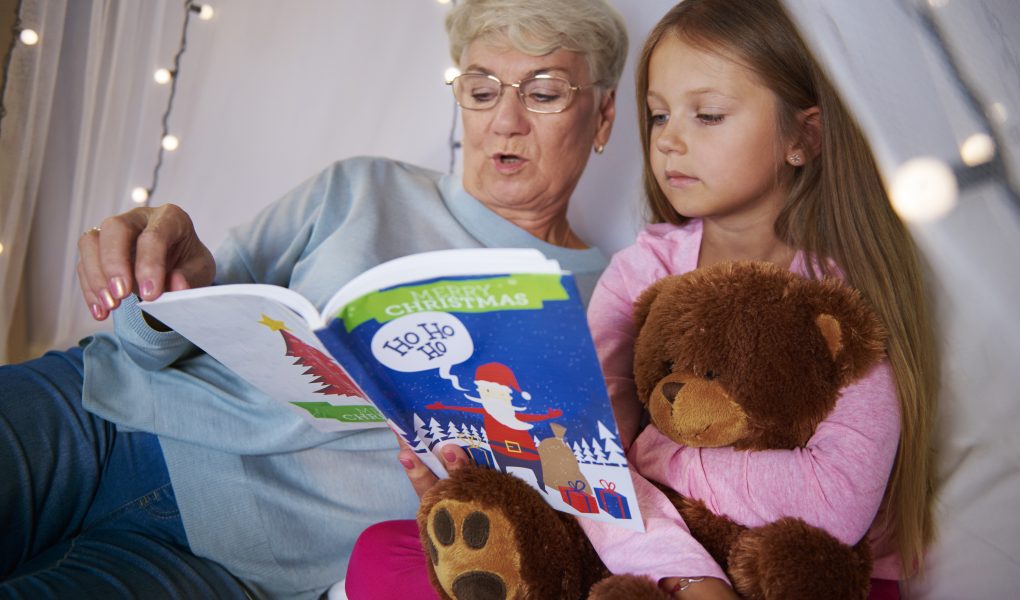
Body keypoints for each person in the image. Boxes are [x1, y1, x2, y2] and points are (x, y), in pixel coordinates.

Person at [0, 0, 628, 598]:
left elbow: (569, 513)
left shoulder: (613, 308)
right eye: (482, 90)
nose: (505, 120)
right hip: (98, 414)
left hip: (230, 562)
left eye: (544, 93)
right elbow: (150, 341)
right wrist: (157, 284)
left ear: (602, 115)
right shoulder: (360, 187)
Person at [358, 0, 939, 599]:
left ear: (802, 136)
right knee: (384, 553)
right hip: (655, 550)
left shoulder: (839, 298)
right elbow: (590, 457)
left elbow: (834, 503)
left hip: (797, 571)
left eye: (708, 115)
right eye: (659, 117)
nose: (670, 143)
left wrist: (664, 457)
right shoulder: (642, 271)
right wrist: (689, 577)